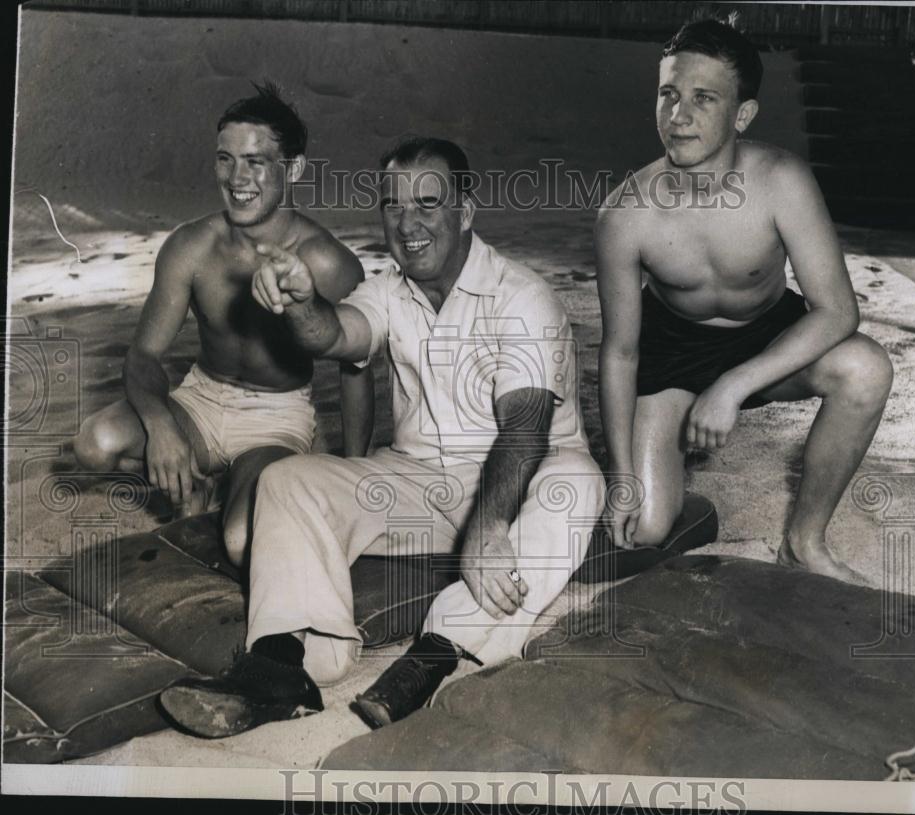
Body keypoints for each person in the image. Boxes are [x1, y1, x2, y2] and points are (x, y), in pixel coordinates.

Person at [157, 137, 604, 738]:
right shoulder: (391, 289)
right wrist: (301, 300)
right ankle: (286, 664)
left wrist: (491, 525)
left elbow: (524, 429)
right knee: (287, 478)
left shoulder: (523, 298)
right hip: (419, 481)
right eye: (393, 205)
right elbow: (333, 337)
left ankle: (436, 653)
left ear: (465, 212)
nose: (408, 222)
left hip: (521, 483)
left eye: (428, 203)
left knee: (577, 483)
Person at [596, 18, 893, 583]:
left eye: (703, 99)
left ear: (743, 114)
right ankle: (663, 462)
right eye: (668, 95)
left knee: (866, 367)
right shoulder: (623, 213)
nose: (678, 116)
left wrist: (733, 386)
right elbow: (620, 354)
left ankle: (804, 542)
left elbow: (837, 310)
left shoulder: (782, 179)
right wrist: (621, 475)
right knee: (645, 528)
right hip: (672, 355)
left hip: (767, 335)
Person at [72, 82, 374, 566]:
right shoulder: (191, 246)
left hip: (276, 422)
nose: (237, 177)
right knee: (94, 444)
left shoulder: (328, 261)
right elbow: (144, 355)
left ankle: (250, 479)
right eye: (225, 159)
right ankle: (202, 478)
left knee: (241, 543)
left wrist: (355, 470)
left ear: (292, 168)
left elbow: (356, 368)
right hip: (201, 401)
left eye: (256, 161)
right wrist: (162, 425)